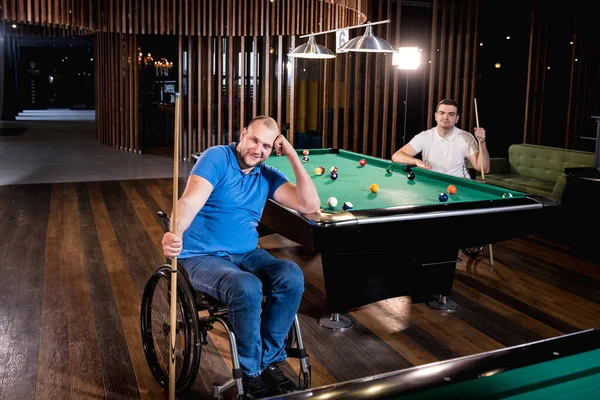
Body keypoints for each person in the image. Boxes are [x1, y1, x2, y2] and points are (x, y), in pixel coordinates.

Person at [162, 115, 320, 398]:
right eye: (254, 140)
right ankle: (251, 371)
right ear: (243, 134)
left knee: (292, 276)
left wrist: (294, 156)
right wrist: (175, 231)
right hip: (200, 257)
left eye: (267, 146)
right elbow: (190, 200)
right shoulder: (217, 158)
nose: (258, 150)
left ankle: (270, 360)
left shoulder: (267, 175)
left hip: (245, 254)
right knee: (247, 286)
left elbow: (310, 206)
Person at [391, 99, 490, 179]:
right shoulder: (425, 136)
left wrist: (482, 143)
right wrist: (417, 162)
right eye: (442, 113)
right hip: (431, 183)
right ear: (436, 116)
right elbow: (396, 156)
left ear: (457, 119)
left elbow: (484, 169)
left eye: (451, 114)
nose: (445, 117)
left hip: (459, 186)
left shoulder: (466, 137)